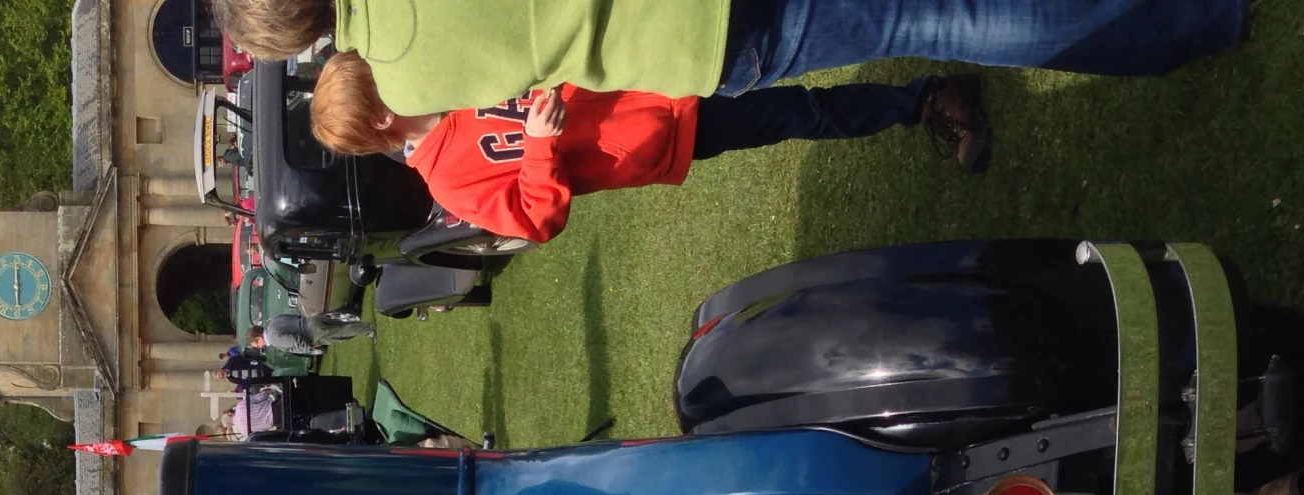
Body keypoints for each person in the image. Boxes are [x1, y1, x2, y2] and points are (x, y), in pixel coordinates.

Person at [311, 61, 993, 240]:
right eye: (377, 83)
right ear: (379, 119)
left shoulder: (451, 80)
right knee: (798, 112)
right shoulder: (448, 182)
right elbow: (534, 219)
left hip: (655, 69)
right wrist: (541, 149)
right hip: (662, 132)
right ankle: (927, 102)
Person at [209, 0, 1246, 115]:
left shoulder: (409, 82)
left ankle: (1182, 28)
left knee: (935, 23)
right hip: (710, 22)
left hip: (702, 48)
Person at [262, 310, 375, 357]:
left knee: (342, 333)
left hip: (312, 334)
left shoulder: (273, 338)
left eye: (256, 344)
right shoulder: (273, 321)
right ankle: (366, 329)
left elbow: (293, 341)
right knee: (341, 326)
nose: (260, 346)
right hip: (311, 320)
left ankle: (369, 329)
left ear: (257, 339)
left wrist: (309, 347)